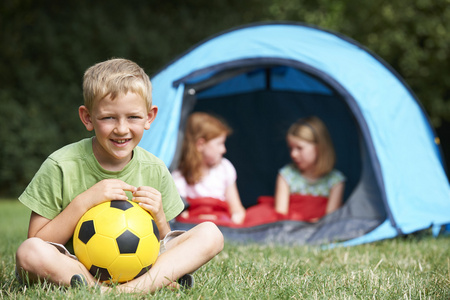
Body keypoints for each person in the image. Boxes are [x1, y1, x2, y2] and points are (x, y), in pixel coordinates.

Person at [15, 58, 224, 293]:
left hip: (139, 267)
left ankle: (130, 289)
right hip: (73, 268)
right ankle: (121, 288)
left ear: (149, 117)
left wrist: (160, 218)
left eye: (133, 117)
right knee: (29, 252)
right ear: (87, 118)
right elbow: (38, 240)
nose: (122, 129)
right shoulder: (61, 166)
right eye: (108, 118)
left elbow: (163, 245)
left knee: (211, 233)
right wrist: (85, 201)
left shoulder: (154, 168)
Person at [172, 112, 246, 225]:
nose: (224, 150)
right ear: (200, 145)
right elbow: (181, 215)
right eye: (219, 144)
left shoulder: (224, 168)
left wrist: (234, 222)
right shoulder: (180, 176)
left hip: (221, 221)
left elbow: (237, 209)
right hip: (195, 223)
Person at [274, 116, 345, 221]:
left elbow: (330, 219)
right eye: (291, 148)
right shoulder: (286, 175)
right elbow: (280, 215)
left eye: (299, 148)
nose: (293, 154)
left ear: (319, 148)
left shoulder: (335, 181)